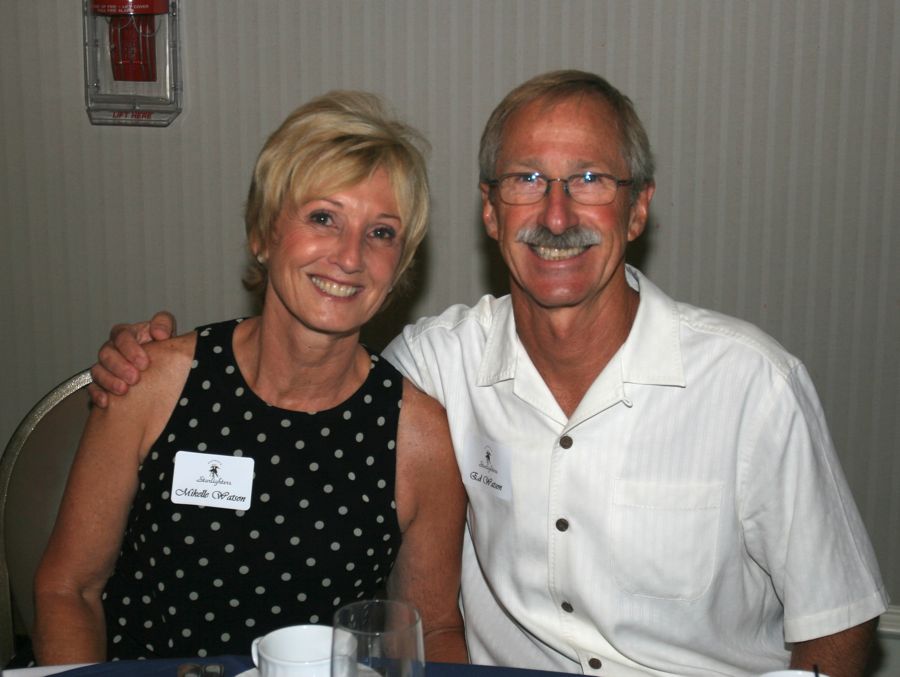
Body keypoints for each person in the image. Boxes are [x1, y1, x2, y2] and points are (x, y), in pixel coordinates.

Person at [88, 71, 889, 677]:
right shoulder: (436, 370)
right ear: (489, 211)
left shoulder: (752, 385)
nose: (557, 214)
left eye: (590, 180)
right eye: (528, 179)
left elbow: (838, 624)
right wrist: (153, 354)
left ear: (638, 209)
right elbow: (308, 372)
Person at [33, 91, 468, 665]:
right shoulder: (156, 383)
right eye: (322, 218)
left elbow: (432, 631)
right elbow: (69, 590)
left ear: (400, 268)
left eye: (381, 233)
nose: (350, 256)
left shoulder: (419, 438)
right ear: (263, 235)